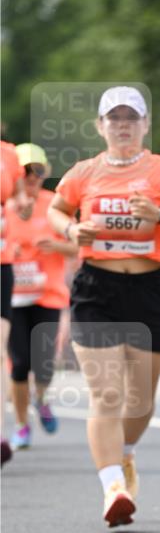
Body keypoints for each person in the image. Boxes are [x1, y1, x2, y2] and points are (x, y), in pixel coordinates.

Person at [48, 87, 160, 525]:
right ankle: (113, 486)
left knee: (140, 400)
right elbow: (58, 211)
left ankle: (126, 453)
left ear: (144, 124)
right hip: (97, 289)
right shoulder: (84, 173)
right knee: (107, 393)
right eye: (113, 118)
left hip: (150, 289)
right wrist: (73, 229)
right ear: (101, 126)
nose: (122, 125)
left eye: (130, 117)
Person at [6, 144, 78, 449]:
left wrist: (56, 246)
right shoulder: (5, 208)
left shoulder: (53, 206)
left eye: (38, 171)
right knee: (20, 363)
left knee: (45, 364)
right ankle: (22, 425)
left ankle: (42, 397)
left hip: (47, 296)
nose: (32, 177)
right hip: (12, 297)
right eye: (25, 171)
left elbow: (79, 246)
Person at [1, 138, 31, 465]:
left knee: (1, 351)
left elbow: (19, 195)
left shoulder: (9, 155)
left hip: (2, 262)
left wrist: (20, 203)